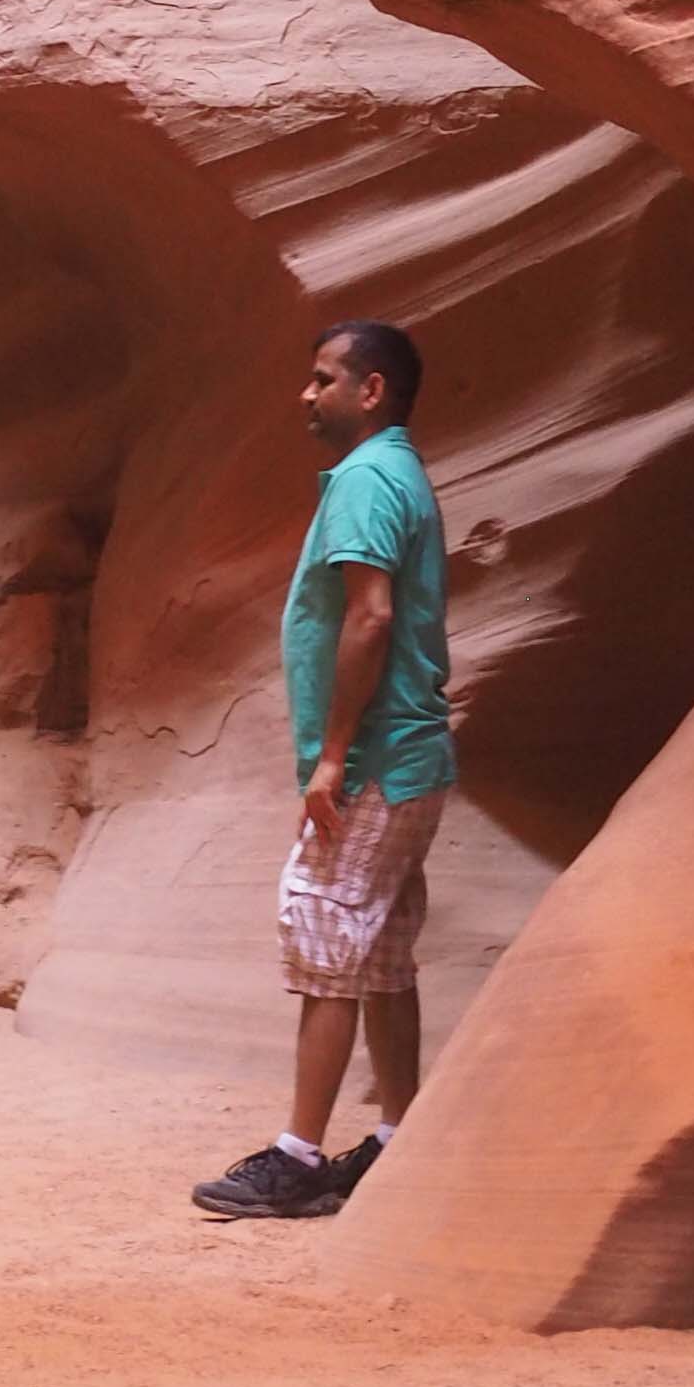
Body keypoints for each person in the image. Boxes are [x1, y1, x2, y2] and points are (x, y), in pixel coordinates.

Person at [192, 317, 454, 1221]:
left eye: (322, 379)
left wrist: (334, 756)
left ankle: (299, 1159)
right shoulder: (398, 473)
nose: (306, 396)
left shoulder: (365, 479)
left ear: (370, 389)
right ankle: (395, 1138)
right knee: (379, 953)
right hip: (412, 753)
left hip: (378, 757)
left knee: (326, 933)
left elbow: (370, 617)